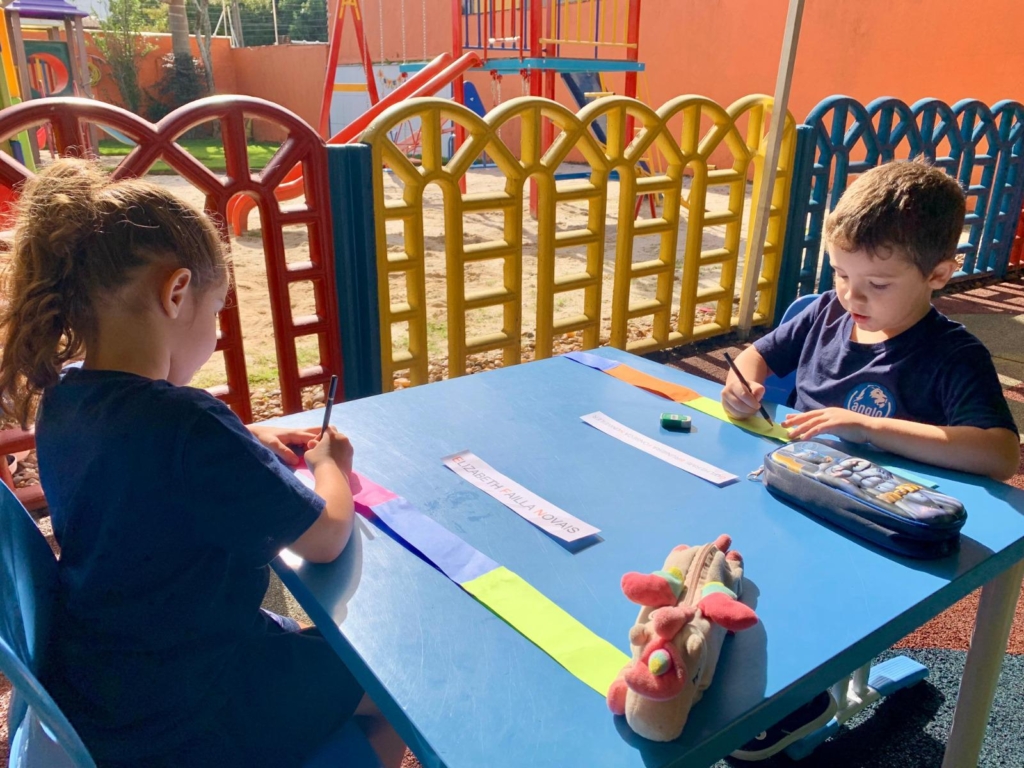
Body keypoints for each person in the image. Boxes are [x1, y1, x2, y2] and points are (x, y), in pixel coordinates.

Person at [0, 159, 405, 768]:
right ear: (176, 292)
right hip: (194, 707)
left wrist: (246, 436)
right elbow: (325, 539)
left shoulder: (66, 397)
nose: (215, 334)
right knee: (394, 690)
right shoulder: (188, 426)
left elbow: (143, 463)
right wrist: (331, 465)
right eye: (216, 311)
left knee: (324, 656)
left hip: (111, 687)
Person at [721, 160, 1020, 761]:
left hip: (871, 536)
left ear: (938, 274)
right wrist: (741, 384)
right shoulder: (824, 314)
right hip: (792, 499)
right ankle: (776, 677)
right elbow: (754, 357)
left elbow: (999, 452)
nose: (851, 296)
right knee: (729, 564)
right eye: (840, 274)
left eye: (877, 285)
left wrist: (869, 428)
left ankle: (806, 695)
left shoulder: (953, 356)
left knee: (799, 591)